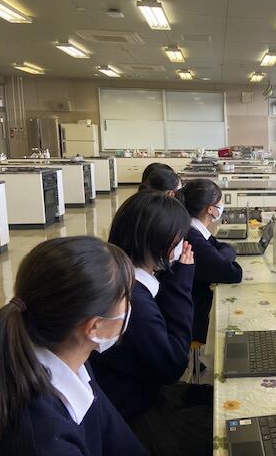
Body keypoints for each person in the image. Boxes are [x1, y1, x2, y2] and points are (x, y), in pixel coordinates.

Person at [0, 236, 147, 456]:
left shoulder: (72, 360)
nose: (131, 306)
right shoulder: (42, 439)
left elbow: (117, 438)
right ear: (94, 327)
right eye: (126, 298)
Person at [89, 191, 212, 456]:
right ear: (166, 245)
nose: (184, 245)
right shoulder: (134, 299)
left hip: (137, 393)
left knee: (212, 397)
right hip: (134, 413)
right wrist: (182, 281)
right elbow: (173, 365)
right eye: (181, 239)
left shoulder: (125, 275)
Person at [177, 179, 243, 343]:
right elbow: (233, 273)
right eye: (220, 201)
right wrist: (222, 258)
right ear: (211, 209)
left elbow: (223, 247)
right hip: (195, 313)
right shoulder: (193, 237)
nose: (222, 205)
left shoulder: (194, 228)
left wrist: (221, 257)